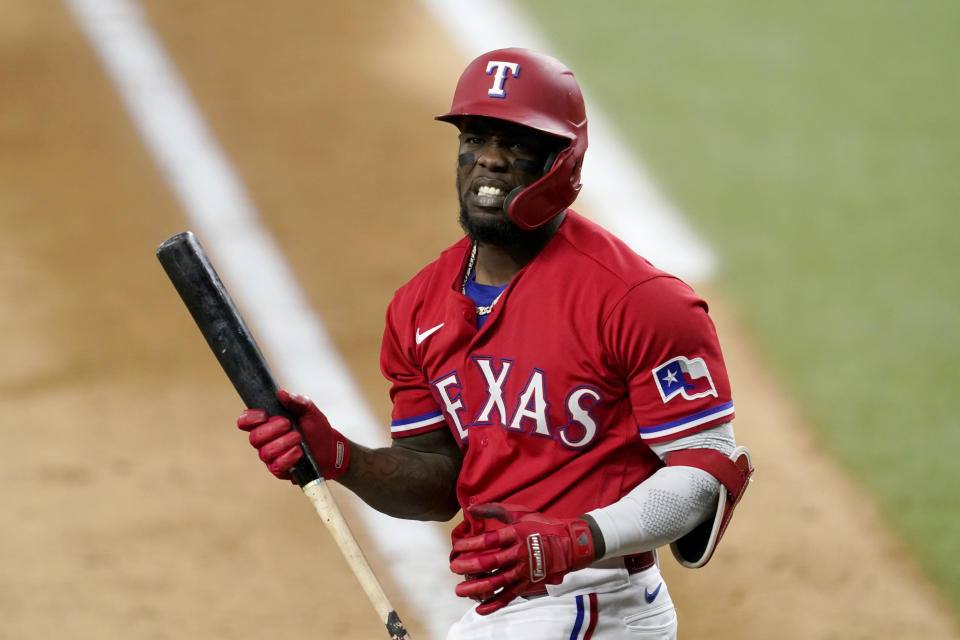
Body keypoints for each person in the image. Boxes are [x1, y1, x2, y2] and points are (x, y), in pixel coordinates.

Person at [237, 48, 752, 639]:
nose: (488, 158)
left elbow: (705, 471)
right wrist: (340, 458)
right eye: (476, 137)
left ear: (563, 161)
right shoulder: (419, 306)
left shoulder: (638, 299)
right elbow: (437, 483)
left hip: (598, 604)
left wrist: (574, 537)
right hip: (507, 611)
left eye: (516, 143)